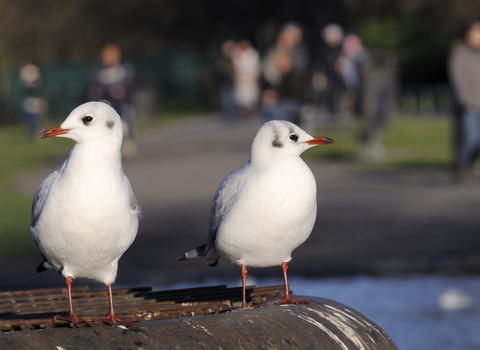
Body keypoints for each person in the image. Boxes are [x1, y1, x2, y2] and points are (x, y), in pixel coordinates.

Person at [88, 43, 136, 155]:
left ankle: (127, 141)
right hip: (107, 103)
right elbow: (94, 88)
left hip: (122, 103)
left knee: (126, 114)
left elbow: (130, 83)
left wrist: (121, 90)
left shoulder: (124, 69)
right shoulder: (99, 72)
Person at [449, 20, 480, 178]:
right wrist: (465, 99)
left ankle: (472, 163)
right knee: (470, 138)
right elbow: (458, 79)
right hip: (470, 104)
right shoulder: (460, 54)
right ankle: (460, 163)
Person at [18, 62, 48, 138]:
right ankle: (35, 130)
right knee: (32, 116)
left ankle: (39, 130)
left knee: (38, 115)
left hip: (35, 99)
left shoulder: (36, 86)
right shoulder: (27, 86)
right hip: (30, 100)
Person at [215, 40, 239, 124]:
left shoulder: (234, 59)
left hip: (231, 84)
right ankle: (229, 117)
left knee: (232, 101)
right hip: (225, 84)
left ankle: (234, 116)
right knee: (227, 102)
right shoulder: (222, 61)